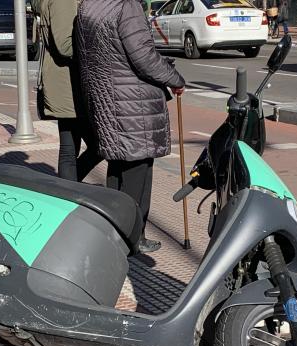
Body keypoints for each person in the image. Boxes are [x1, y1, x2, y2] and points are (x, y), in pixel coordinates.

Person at [76, 0, 185, 254]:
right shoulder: (127, 6)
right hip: (133, 103)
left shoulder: (88, 6)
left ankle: (113, 231)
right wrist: (174, 78)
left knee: (117, 167)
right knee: (138, 173)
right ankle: (132, 237)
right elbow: (143, 57)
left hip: (106, 98)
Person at [33, 0, 102, 182]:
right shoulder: (63, 1)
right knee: (97, 144)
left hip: (67, 82)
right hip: (68, 83)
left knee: (71, 148)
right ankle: (67, 191)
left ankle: (66, 189)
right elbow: (66, 45)